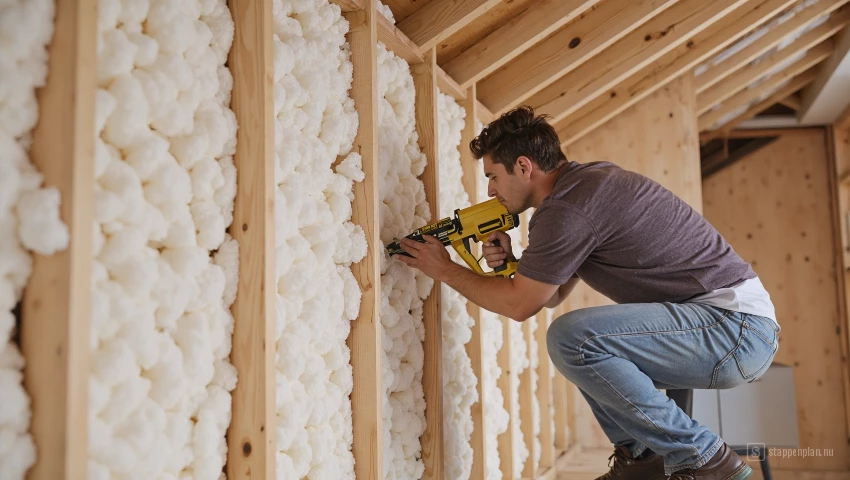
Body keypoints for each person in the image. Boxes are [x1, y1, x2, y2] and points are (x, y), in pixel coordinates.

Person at [397, 106, 779, 480]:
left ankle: (703, 457)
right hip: (733, 330)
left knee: (573, 339)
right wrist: (514, 264)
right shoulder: (584, 186)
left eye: (493, 176)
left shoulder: (568, 208)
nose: (491, 189)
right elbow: (550, 295)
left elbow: (520, 305)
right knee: (587, 347)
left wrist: (444, 269)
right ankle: (642, 461)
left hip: (733, 329)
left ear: (525, 167)